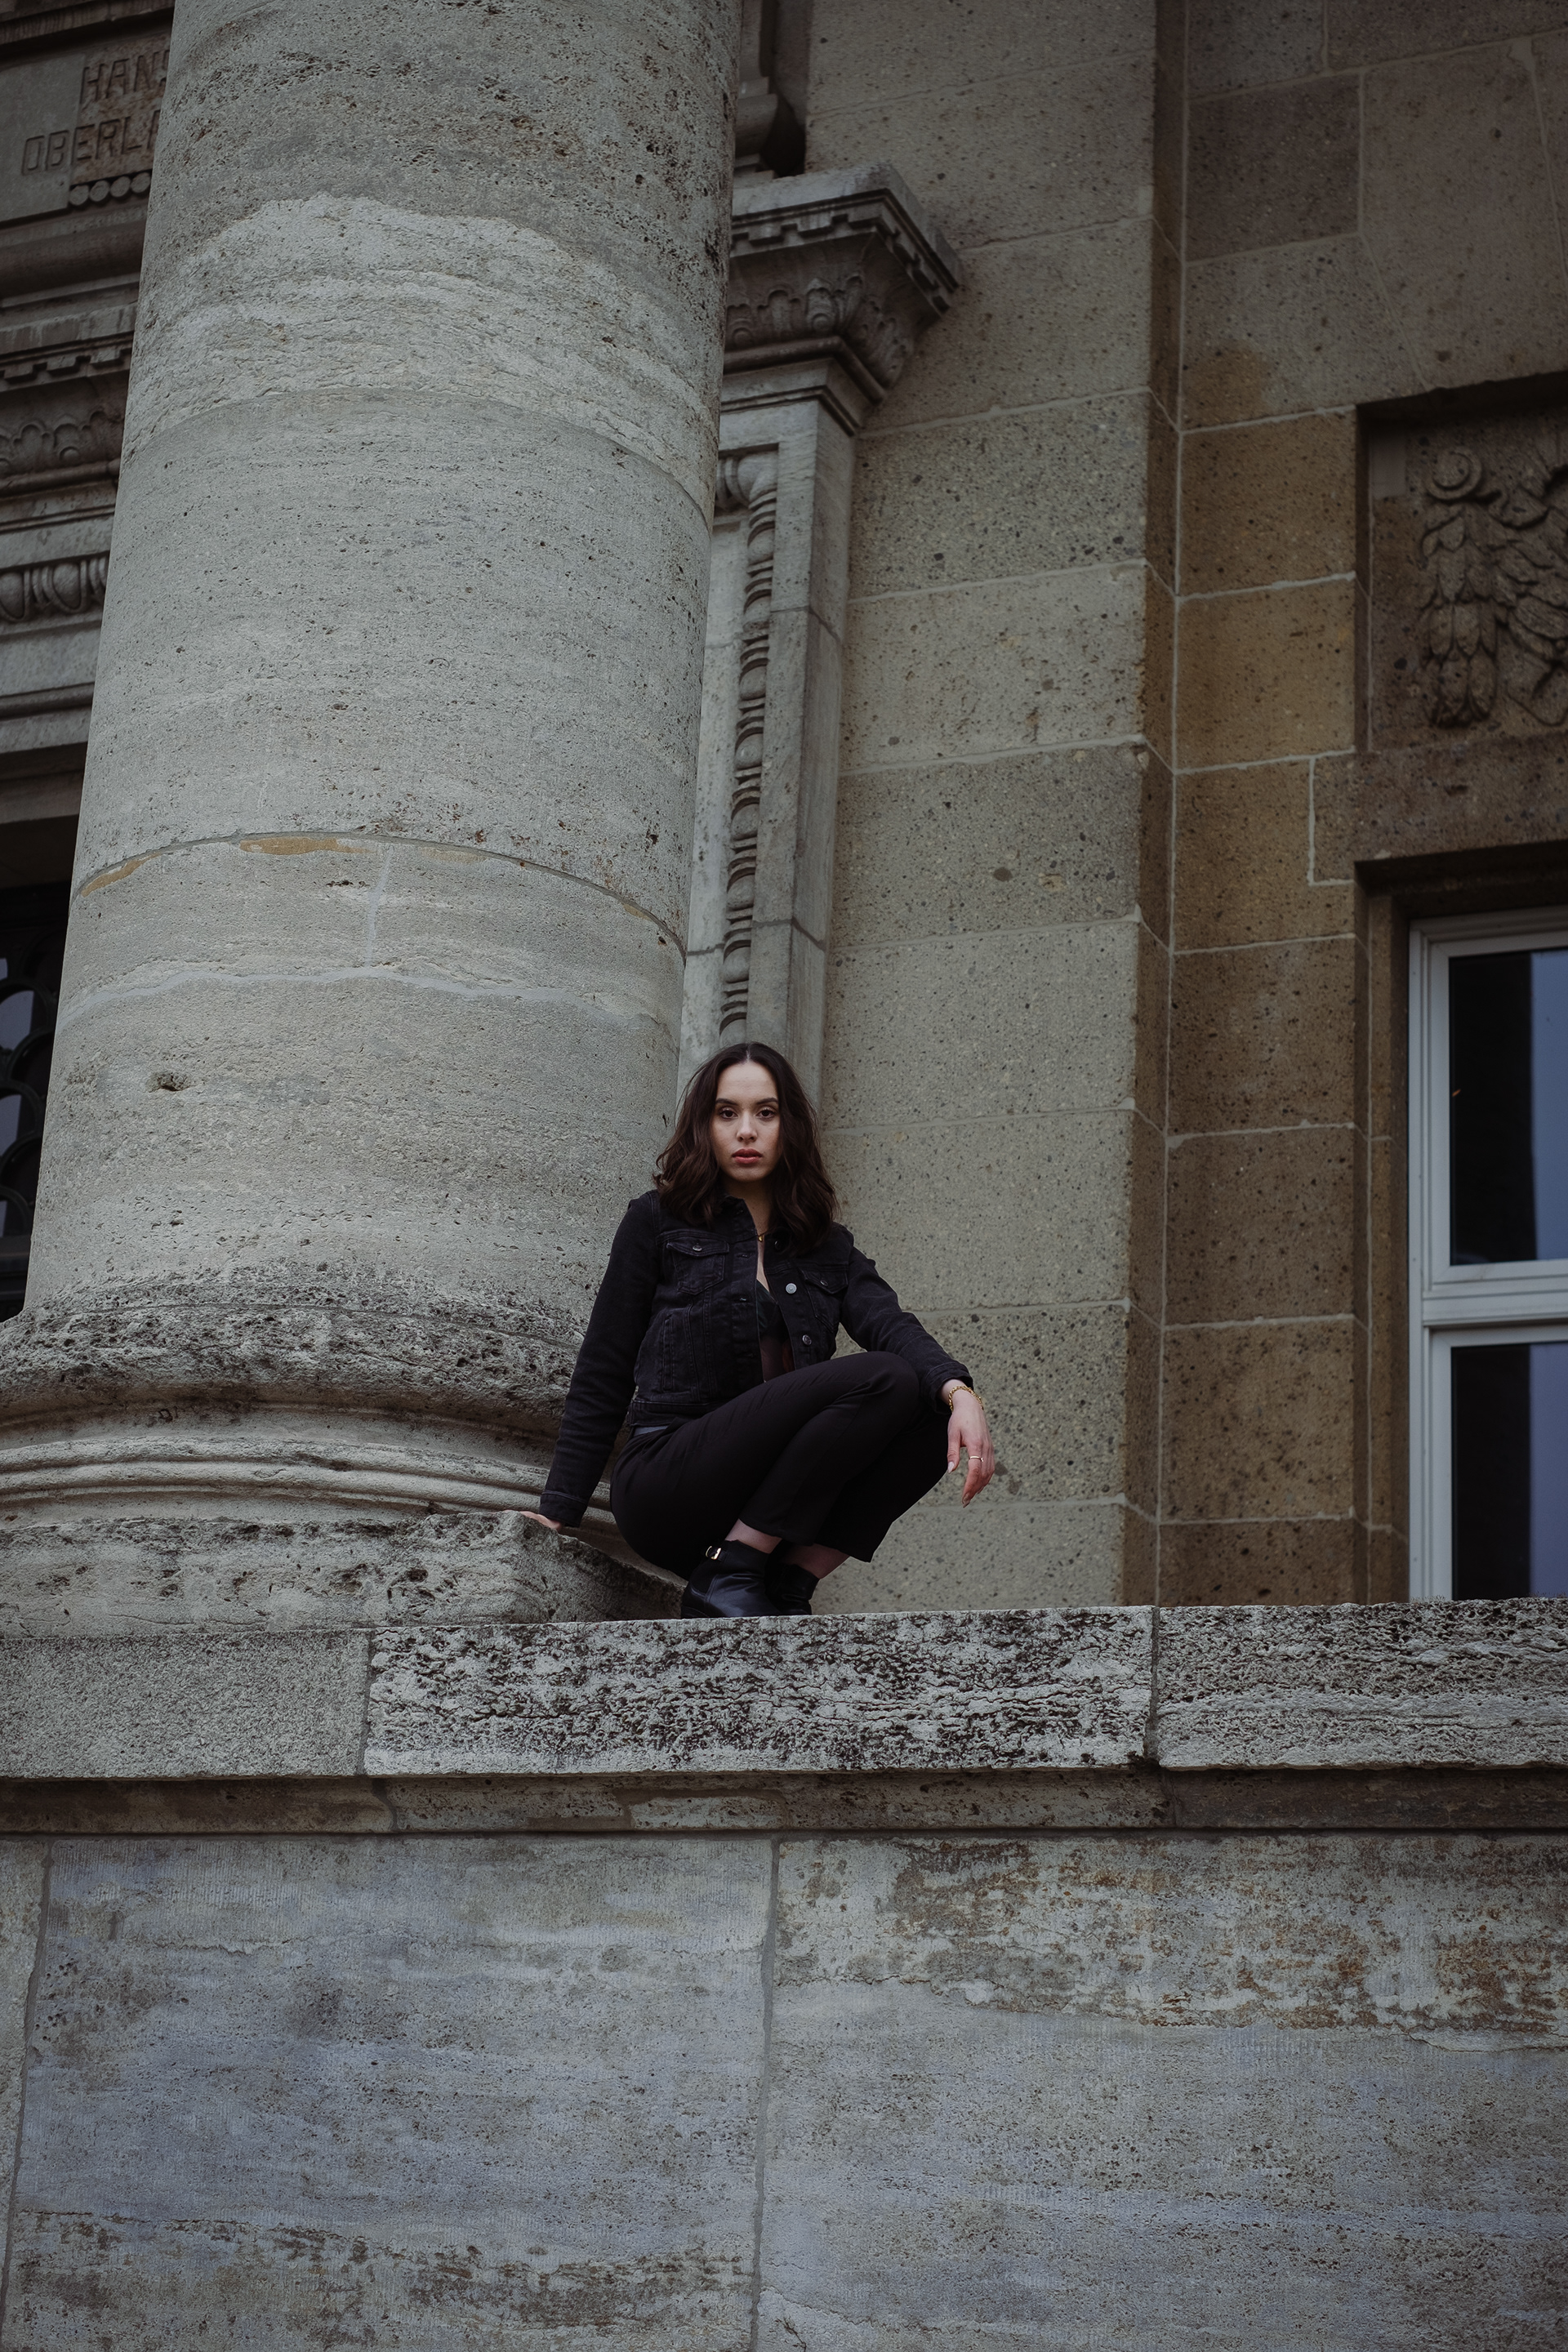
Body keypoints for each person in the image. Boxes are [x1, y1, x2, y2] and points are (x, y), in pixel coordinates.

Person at [523, 1041, 995, 1617]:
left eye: (765, 1113)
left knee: (928, 1405)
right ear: (704, 1126)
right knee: (887, 1378)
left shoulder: (827, 1247)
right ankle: (729, 1570)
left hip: (768, 1498)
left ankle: (787, 1584)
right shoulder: (658, 1221)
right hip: (672, 1480)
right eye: (727, 1113)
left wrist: (960, 1393)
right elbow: (605, 1367)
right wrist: (558, 1510)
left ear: (788, 1126)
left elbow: (890, 1324)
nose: (746, 1130)